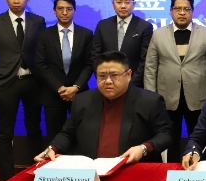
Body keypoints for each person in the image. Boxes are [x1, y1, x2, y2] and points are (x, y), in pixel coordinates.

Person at [34, 51, 172, 164]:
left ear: (128, 75)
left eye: (114, 75)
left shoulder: (149, 101)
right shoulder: (82, 100)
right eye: (102, 76)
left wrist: (143, 148)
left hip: (133, 170)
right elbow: (68, 133)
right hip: (91, 173)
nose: (108, 81)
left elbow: (165, 134)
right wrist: (53, 147)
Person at [0, 0, 47, 181]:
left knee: (34, 128)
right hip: (5, 83)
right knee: (5, 132)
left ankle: (36, 173)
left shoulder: (38, 21)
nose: (16, 1)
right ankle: (6, 179)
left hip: (33, 82)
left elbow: (43, 52)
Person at [144, 0, 206, 162]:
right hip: (167, 98)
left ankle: (197, 168)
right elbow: (150, 68)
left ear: (192, 11)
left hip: (198, 97)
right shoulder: (158, 34)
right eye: (178, 8)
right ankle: (172, 169)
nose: (182, 13)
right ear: (171, 11)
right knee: (169, 139)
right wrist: (151, 98)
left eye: (186, 9)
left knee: (198, 137)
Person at [35, 0, 94, 141]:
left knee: (83, 135)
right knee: (55, 137)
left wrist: (76, 87)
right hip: (53, 94)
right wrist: (59, 88)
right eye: (61, 9)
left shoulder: (86, 34)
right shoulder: (44, 35)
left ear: (75, 11)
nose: (65, 12)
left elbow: (90, 64)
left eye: (69, 9)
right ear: (54, 11)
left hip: (79, 94)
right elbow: (41, 65)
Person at [92, 0, 153, 88]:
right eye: (119, 2)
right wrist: (104, 79)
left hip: (134, 86)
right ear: (113, 4)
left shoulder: (144, 27)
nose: (123, 6)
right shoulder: (102, 25)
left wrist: (130, 83)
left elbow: (145, 60)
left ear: (134, 4)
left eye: (127, 2)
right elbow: (95, 56)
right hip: (107, 85)